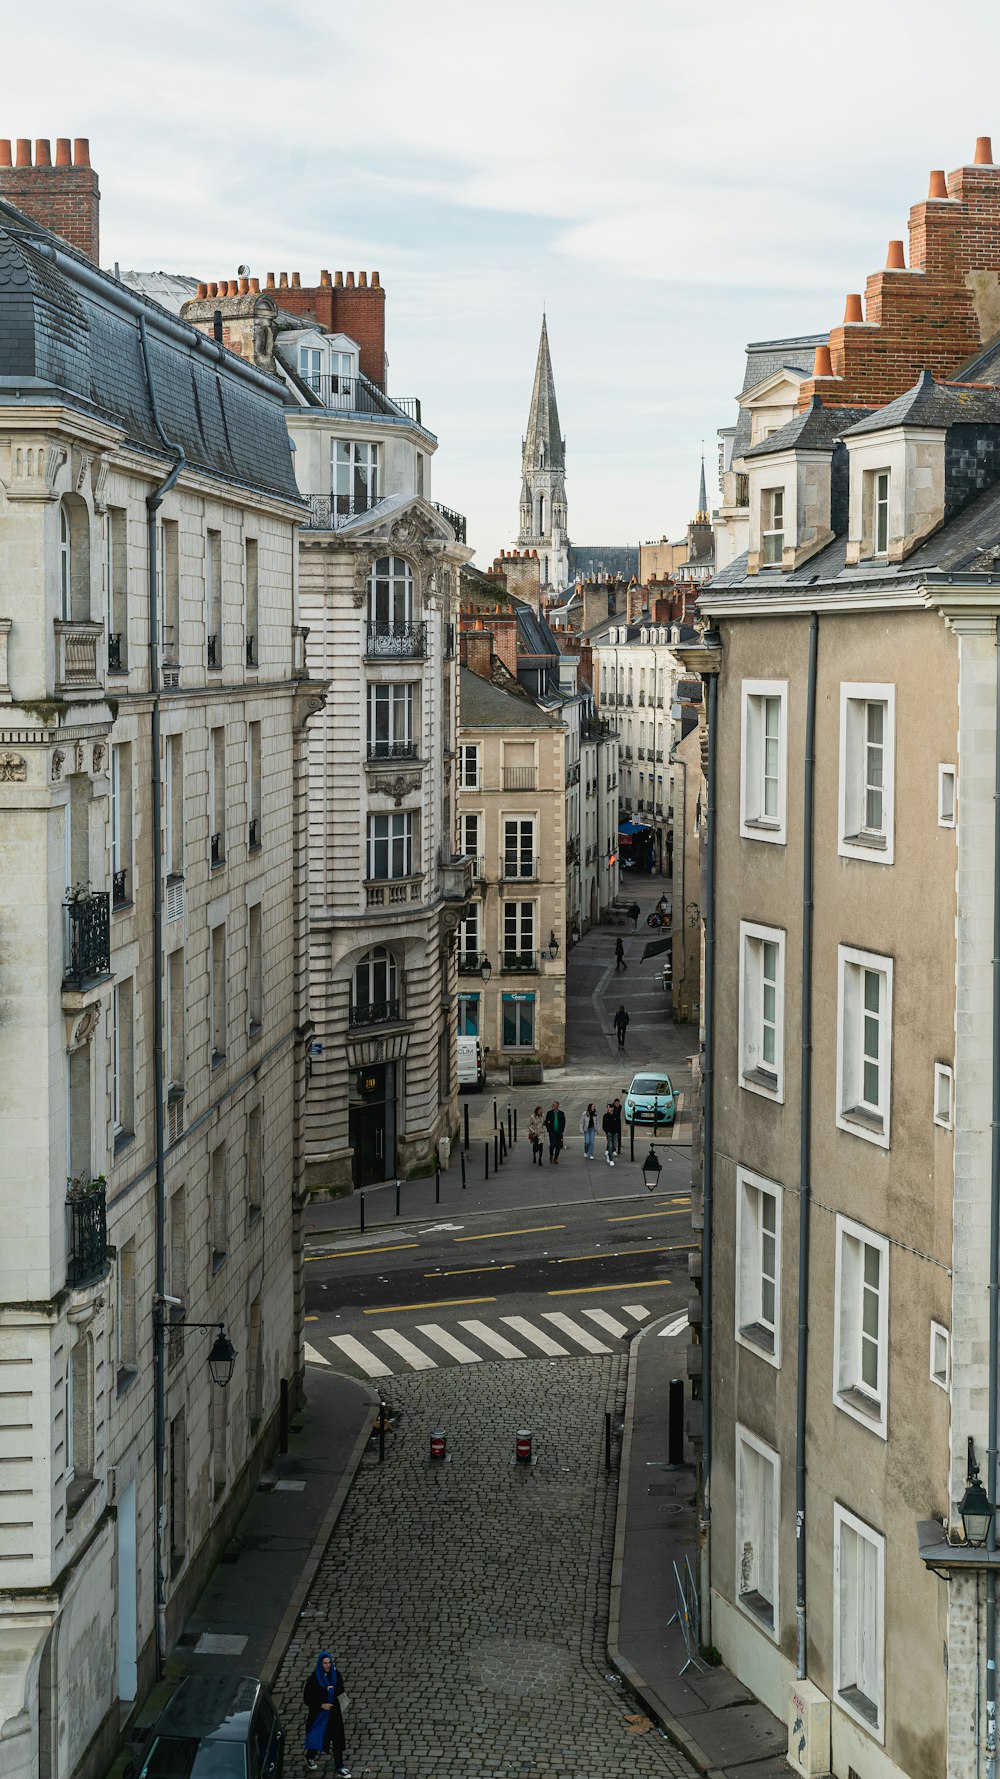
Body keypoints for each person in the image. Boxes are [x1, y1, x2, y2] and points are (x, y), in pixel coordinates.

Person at [303, 1649, 349, 1776]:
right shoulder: (314, 1679)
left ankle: (339, 1766)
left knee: (337, 1738)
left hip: (333, 1713)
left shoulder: (335, 1674)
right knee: (318, 1736)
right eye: (325, 1663)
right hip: (320, 1714)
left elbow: (341, 1688)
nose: (328, 1665)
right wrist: (321, 1704)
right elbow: (307, 1698)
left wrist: (332, 1690)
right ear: (320, 1664)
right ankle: (310, 1756)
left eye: (329, 1662)